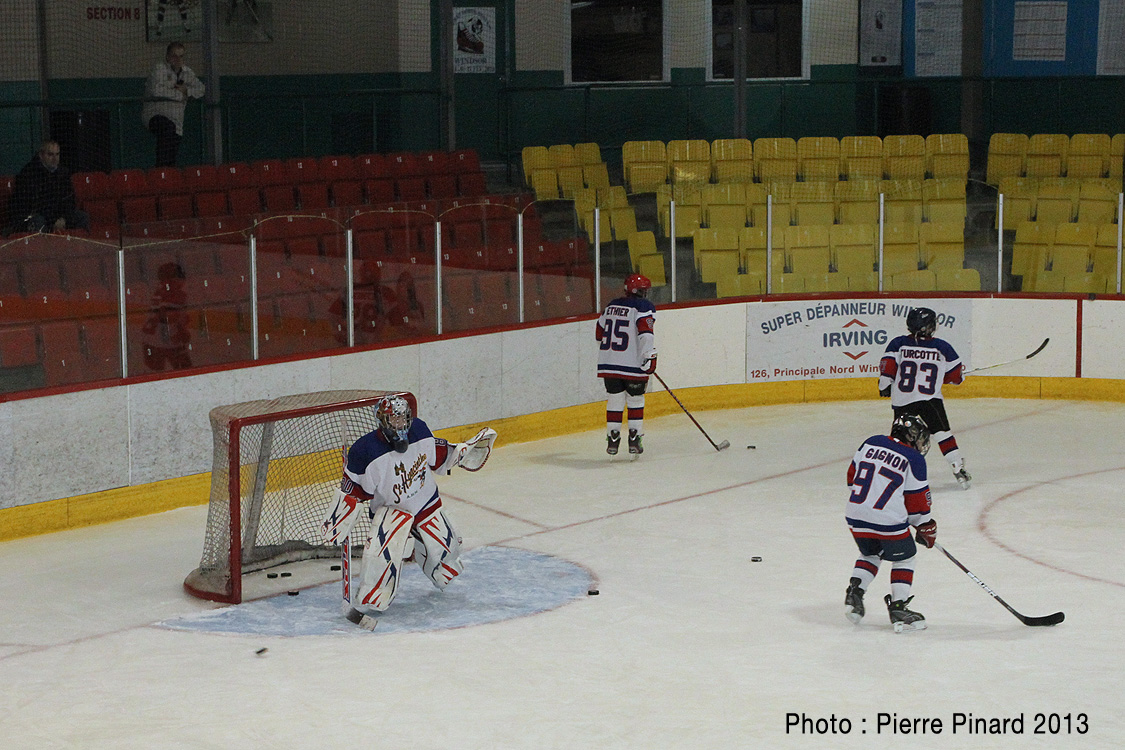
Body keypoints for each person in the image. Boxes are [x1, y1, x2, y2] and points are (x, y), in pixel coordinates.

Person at [321, 395, 496, 630]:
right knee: (382, 555)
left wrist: (462, 454)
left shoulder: (420, 432)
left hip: (425, 503)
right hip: (391, 512)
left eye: (403, 418)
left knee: (447, 560)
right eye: (394, 419)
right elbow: (353, 491)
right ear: (383, 420)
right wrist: (340, 515)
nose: (400, 424)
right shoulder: (365, 451)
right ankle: (376, 591)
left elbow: (440, 456)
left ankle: (423, 551)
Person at [844, 413, 937, 633]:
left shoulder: (871, 442)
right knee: (906, 557)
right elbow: (917, 503)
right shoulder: (913, 459)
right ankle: (898, 606)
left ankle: (855, 593)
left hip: (855, 513)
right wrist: (925, 525)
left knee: (870, 554)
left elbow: (851, 478)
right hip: (888, 521)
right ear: (911, 435)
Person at [878, 306, 971, 489]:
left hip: (902, 401)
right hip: (930, 400)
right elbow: (956, 378)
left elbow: (887, 371)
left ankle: (895, 475)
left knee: (902, 439)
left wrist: (884, 386)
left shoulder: (898, 343)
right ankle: (957, 468)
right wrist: (949, 377)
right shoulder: (942, 347)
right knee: (942, 433)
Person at [596, 273, 656, 455]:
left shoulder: (611, 305)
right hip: (632, 365)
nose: (645, 294)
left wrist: (612, 355)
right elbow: (646, 334)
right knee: (635, 399)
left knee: (614, 399)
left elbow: (599, 334)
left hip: (609, 364)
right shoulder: (643, 306)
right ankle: (634, 440)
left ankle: (612, 440)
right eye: (643, 290)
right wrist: (647, 357)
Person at [4, 140, 90, 235]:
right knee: (38, 221)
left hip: (57, 216)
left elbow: (70, 200)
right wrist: (53, 220)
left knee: (82, 217)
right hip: (31, 217)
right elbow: (35, 205)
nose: (54, 158)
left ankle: (79, 248)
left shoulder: (63, 173)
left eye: (57, 154)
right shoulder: (28, 173)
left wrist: (64, 218)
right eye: (50, 154)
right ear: (41, 155)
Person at [142, 42, 205, 167]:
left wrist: (187, 90)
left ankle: (168, 174)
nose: (178, 59)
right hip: (155, 114)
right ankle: (160, 171)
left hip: (177, 119)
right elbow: (156, 90)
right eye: (174, 56)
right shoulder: (159, 69)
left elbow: (201, 89)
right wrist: (180, 95)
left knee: (172, 150)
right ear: (167, 57)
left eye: (181, 56)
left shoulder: (187, 73)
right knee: (167, 129)